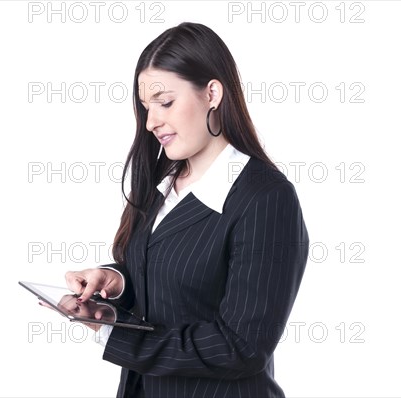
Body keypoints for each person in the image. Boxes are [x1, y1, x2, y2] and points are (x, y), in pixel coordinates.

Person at [64, 22, 309, 398]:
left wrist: (114, 336)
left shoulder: (266, 198)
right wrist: (116, 282)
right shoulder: (163, 182)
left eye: (165, 103)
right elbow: (165, 278)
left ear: (212, 93)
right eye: (146, 108)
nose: (151, 122)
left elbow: (241, 347)